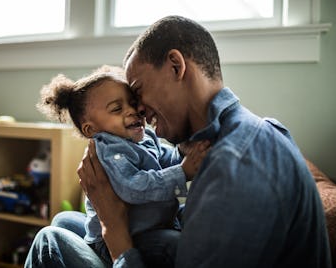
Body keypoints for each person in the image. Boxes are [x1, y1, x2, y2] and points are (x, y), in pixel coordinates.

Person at [77, 15, 332, 267]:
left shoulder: (233, 166)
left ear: (176, 66)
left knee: (48, 240)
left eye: (139, 91)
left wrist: (114, 231)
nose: (139, 109)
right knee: (67, 222)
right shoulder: (247, 133)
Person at [26, 65, 209, 267]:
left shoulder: (144, 138)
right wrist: (183, 172)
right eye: (117, 109)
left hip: (146, 228)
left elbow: (166, 160)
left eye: (133, 103)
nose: (133, 111)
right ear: (91, 129)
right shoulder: (111, 150)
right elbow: (134, 187)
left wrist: (184, 152)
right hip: (122, 239)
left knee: (62, 222)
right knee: (172, 244)